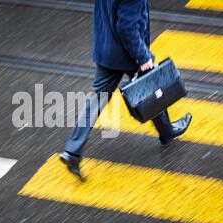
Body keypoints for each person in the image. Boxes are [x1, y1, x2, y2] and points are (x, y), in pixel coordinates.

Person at [60, 0, 192, 181]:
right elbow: (126, 28)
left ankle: (72, 151)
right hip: (128, 54)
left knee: (96, 100)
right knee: (152, 88)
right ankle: (167, 131)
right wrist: (143, 57)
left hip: (106, 49)